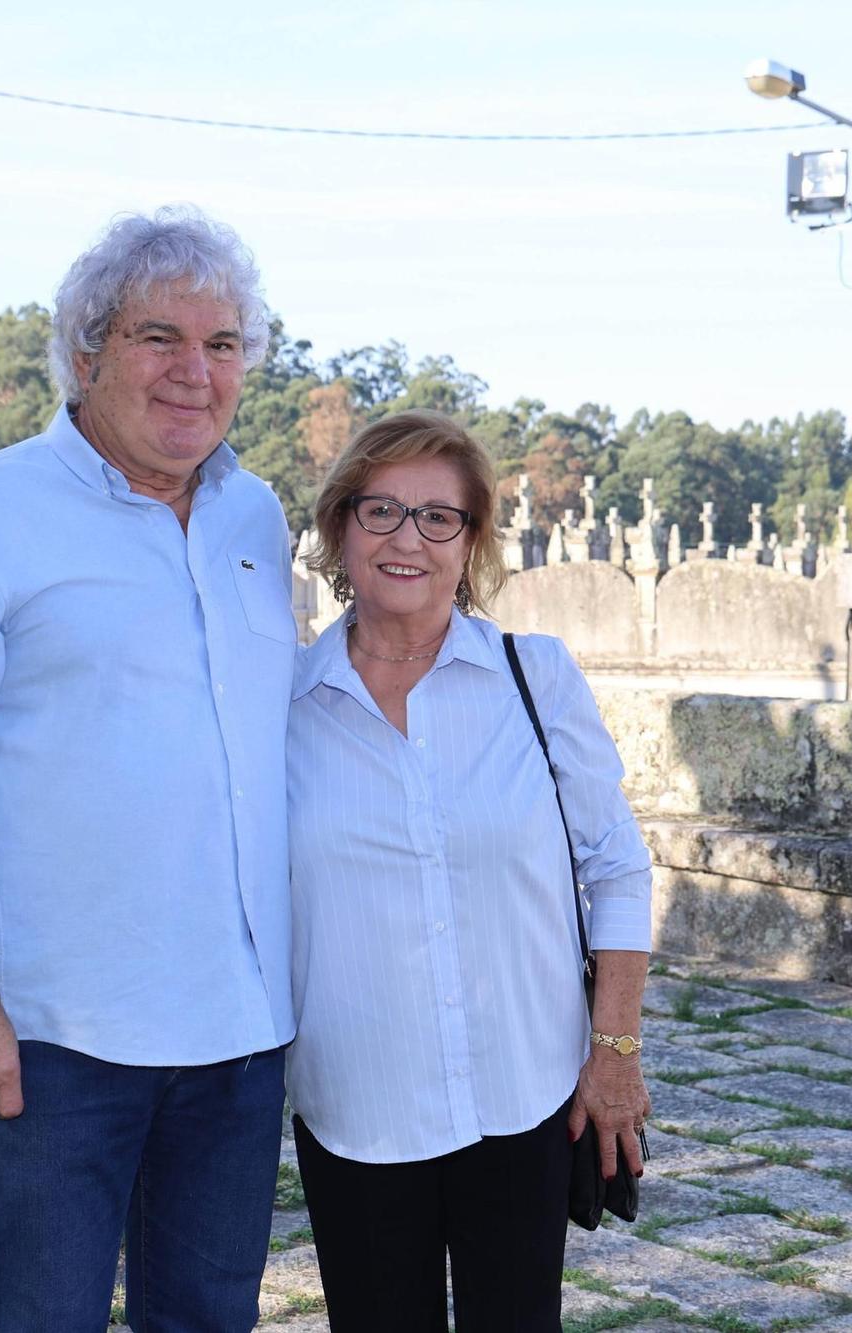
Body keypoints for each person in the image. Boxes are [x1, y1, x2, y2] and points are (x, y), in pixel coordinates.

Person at [0, 207, 298, 1332]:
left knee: (206, 1317)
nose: (196, 373)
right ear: (86, 352)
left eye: (223, 344)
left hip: (239, 1027)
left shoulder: (254, 514)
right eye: (161, 339)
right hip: (55, 1031)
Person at [285, 410, 654, 1332]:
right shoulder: (281, 706)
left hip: (524, 1091)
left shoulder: (538, 679)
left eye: (438, 518)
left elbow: (615, 866)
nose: (408, 539)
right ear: (338, 530)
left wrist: (613, 1054)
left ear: (473, 540)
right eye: (380, 511)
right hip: (357, 1097)